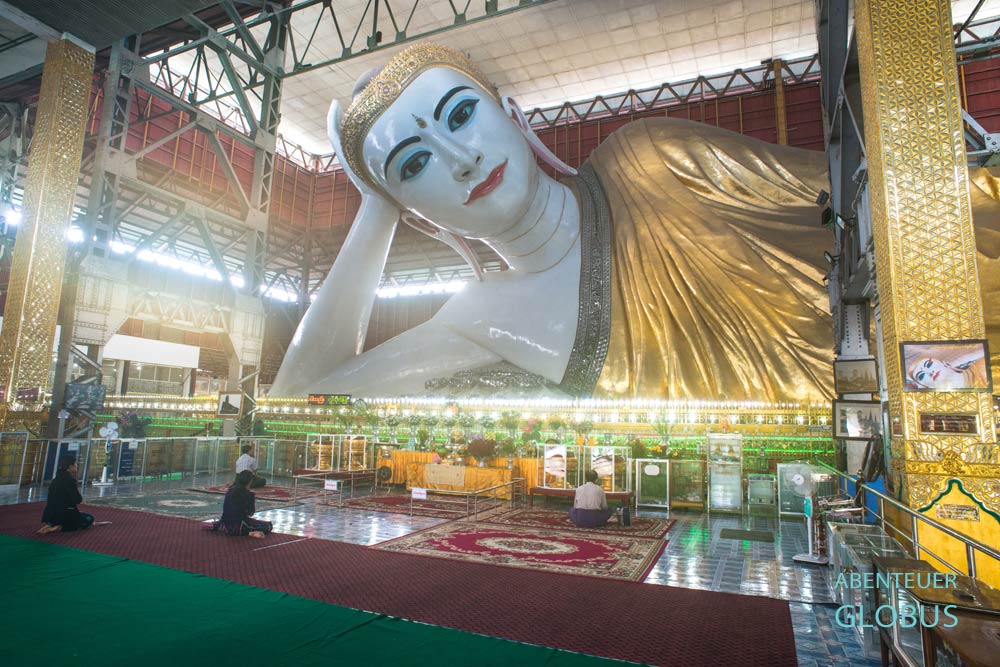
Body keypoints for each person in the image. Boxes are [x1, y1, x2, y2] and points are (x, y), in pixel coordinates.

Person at [270, 43, 838, 402]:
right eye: (415, 164)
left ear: (513, 116)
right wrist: (375, 208)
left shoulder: (652, 161)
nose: (460, 158)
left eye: (462, 114)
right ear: (416, 217)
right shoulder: (476, 317)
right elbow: (297, 400)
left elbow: (853, 203)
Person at [38, 454, 95, 534]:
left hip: (50, 515)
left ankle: (52, 525)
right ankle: (61, 527)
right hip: (64, 515)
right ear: (70, 466)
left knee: (81, 514)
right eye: (75, 464)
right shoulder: (69, 481)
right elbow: (77, 499)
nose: (76, 466)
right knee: (89, 518)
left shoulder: (55, 480)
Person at [212, 470, 273, 538]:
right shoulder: (248, 494)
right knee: (268, 526)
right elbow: (250, 513)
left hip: (225, 523)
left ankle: (221, 527)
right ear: (249, 482)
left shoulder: (230, 490)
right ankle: (248, 532)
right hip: (239, 525)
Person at [905, 347, 989, 390]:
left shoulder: (981, 368)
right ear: (925, 386)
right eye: (921, 376)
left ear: (945, 363)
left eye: (929, 365)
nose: (930, 372)